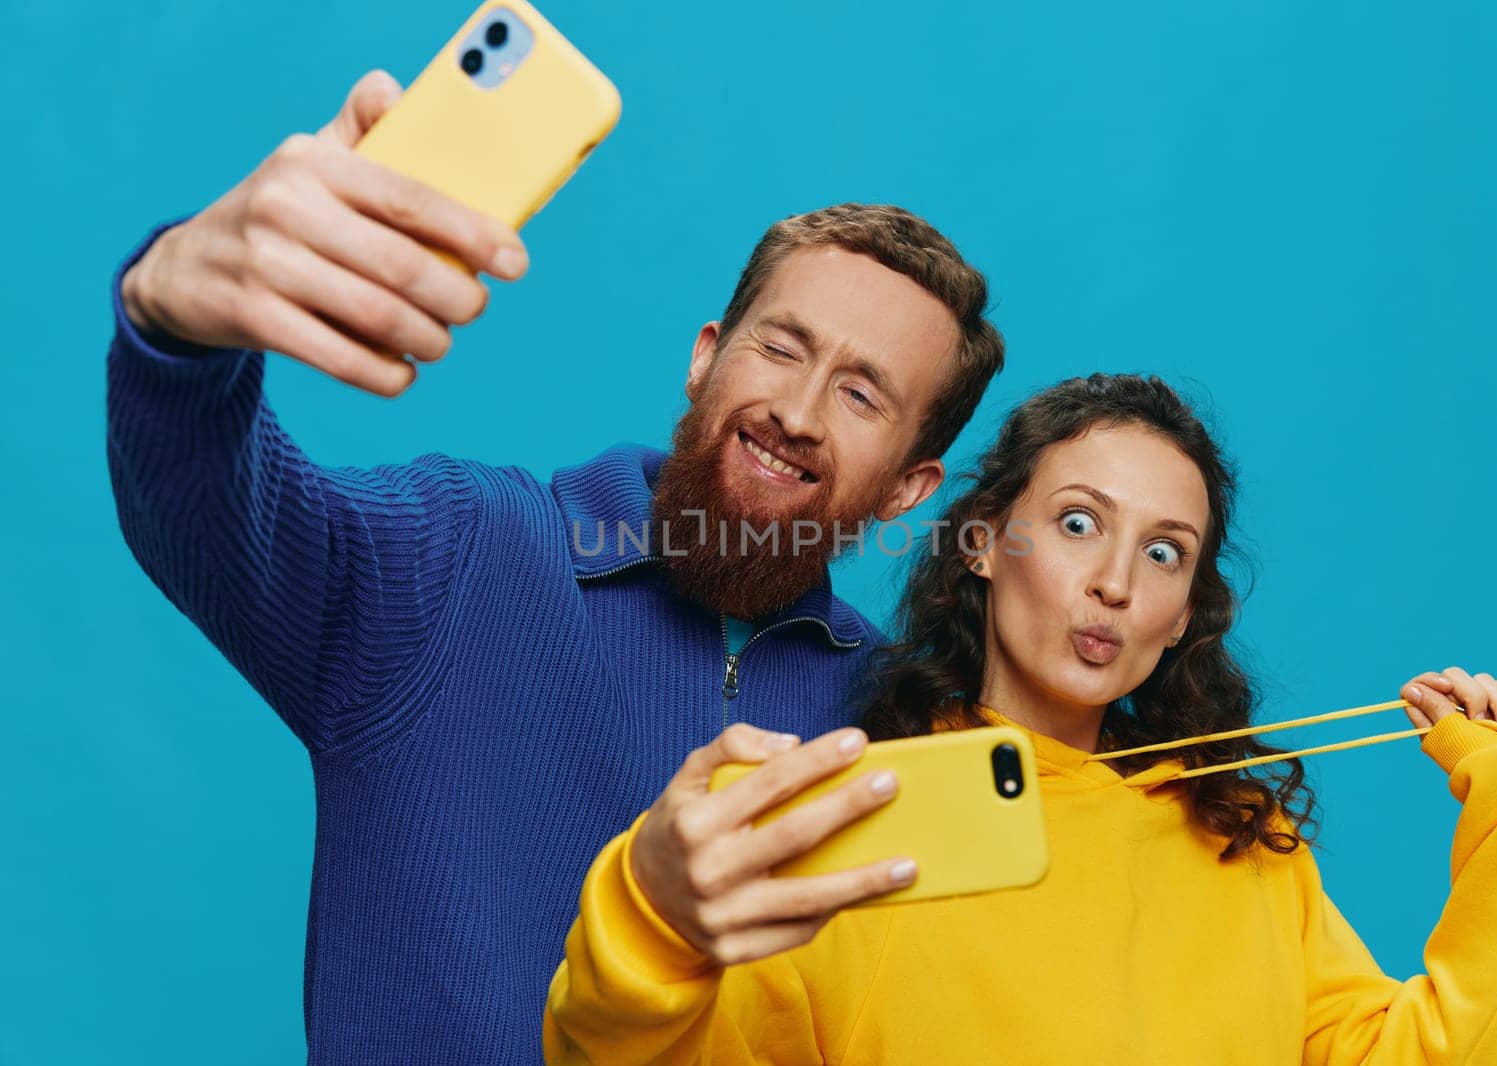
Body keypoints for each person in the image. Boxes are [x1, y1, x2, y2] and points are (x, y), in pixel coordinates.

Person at [106, 70, 1003, 1062]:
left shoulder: (901, 722)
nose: (797, 410)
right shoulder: (464, 550)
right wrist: (173, 331)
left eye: (861, 394)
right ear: (705, 357)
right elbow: (210, 512)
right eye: (782, 348)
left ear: (909, 488)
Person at [545, 373, 1497, 1064]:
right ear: (987, 544)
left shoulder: (1242, 851)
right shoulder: (848, 819)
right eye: (1079, 524)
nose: (1116, 583)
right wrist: (648, 910)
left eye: (1164, 551)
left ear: (1181, 619)